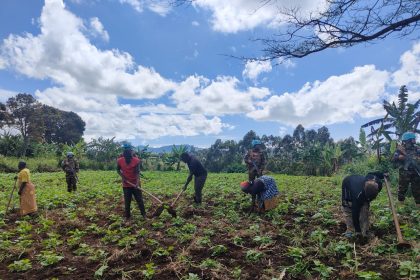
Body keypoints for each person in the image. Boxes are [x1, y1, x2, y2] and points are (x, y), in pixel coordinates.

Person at [341, 172, 385, 238]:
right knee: (348, 207)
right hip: (348, 183)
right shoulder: (357, 193)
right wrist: (357, 230)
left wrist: (382, 174)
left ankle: (365, 231)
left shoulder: (379, 184)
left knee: (365, 207)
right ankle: (350, 230)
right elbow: (354, 211)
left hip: (361, 185)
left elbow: (371, 173)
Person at [117, 144, 146, 221]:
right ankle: (127, 216)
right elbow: (118, 170)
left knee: (139, 200)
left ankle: (144, 215)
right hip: (126, 185)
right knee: (127, 201)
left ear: (131, 152)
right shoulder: (120, 160)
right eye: (126, 151)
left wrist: (137, 183)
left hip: (135, 183)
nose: (127, 153)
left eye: (129, 151)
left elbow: (137, 172)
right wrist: (123, 177)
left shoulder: (136, 160)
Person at [392, 131, 420, 207]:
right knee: (402, 188)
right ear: (408, 140)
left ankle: (418, 204)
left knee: (417, 188)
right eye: (413, 138)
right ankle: (401, 203)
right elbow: (393, 159)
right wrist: (400, 157)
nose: (414, 140)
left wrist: (416, 159)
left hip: (415, 171)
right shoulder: (400, 149)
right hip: (404, 172)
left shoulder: (417, 148)